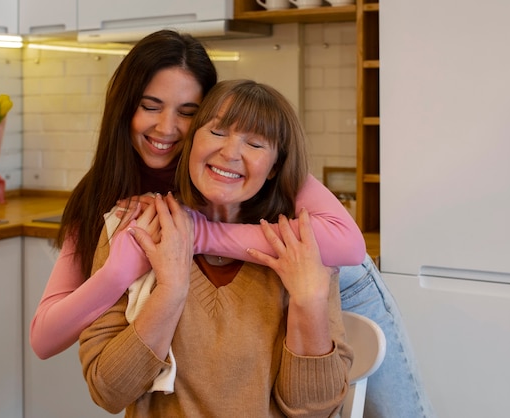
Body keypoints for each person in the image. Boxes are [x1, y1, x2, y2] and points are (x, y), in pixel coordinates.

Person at [29, 29, 434, 418]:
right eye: (150, 106)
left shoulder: (271, 193)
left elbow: (346, 246)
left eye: (187, 112)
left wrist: (200, 235)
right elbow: (50, 341)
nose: (167, 128)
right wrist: (122, 271)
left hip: (332, 269)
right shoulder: (116, 206)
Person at [79, 79, 353, 417]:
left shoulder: (300, 250)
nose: (230, 153)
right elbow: (108, 391)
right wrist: (171, 291)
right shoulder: (136, 226)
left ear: (275, 168)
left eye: (254, 143)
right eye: (218, 132)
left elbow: (316, 411)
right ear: (191, 141)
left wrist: (309, 302)